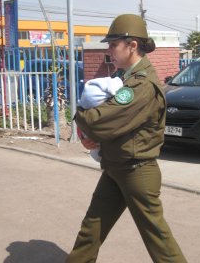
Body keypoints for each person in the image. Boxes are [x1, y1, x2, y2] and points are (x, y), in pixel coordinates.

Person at [66, 14, 187, 263]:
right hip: (115, 166)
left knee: (159, 241)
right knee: (91, 230)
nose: (109, 50)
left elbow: (100, 120)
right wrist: (96, 140)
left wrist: (82, 118)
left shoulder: (141, 85)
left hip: (136, 172)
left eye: (113, 44)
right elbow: (120, 128)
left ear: (132, 45)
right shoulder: (126, 78)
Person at [77, 76, 123, 162]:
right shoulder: (111, 81)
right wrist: (84, 139)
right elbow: (80, 120)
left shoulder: (134, 81)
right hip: (107, 156)